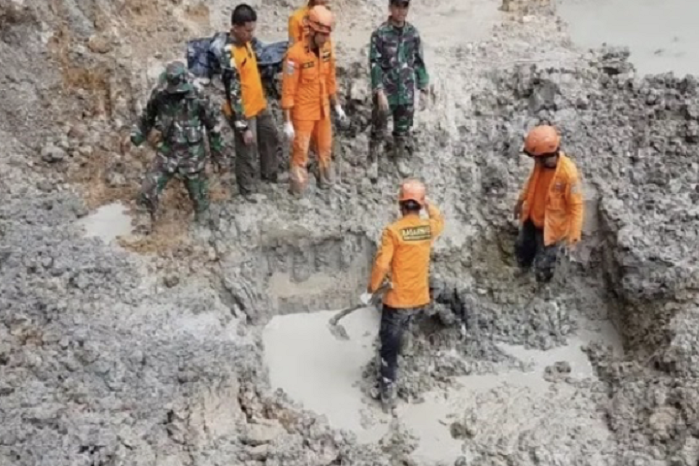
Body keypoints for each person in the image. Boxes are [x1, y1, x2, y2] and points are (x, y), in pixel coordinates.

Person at [366, 179, 444, 412]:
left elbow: (382, 264)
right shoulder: (427, 228)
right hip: (419, 298)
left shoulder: (393, 232)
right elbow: (439, 220)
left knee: (388, 344)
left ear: (401, 205)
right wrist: (429, 204)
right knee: (405, 331)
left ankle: (387, 391)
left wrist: (372, 287)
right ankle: (404, 358)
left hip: (397, 299)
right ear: (419, 206)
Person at [130, 61, 226, 230]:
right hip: (167, 152)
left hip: (192, 156)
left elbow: (214, 127)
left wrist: (218, 156)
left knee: (200, 199)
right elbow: (147, 118)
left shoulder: (198, 96)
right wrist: (135, 137)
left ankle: (202, 227)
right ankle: (144, 219)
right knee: (147, 190)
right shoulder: (160, 94)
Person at [281, 5, 347, 194]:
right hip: (303, 112)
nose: (326, 39)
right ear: (311, 30)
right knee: (300, 152)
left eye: (328, 35)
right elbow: (288, 89)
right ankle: (298, 190)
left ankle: (327, 184)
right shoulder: (294, 56)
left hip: (323, 109)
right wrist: (287, 122)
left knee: (325, 148)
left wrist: (338, 107)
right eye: (323, 35)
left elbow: (330, 79)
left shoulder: (326, 49)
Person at [218, 4, 282, 199]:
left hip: (258, 104)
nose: (251, 34)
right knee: (247, 149)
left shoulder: (246, 43)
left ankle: (269, 175)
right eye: (247, 30)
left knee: (271, 136)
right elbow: (233, 92)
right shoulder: (229, 53)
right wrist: (242, 125)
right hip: (243, 110)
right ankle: (247, 190)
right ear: (235, 27)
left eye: (253, 29)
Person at [513, 125, 584, 282]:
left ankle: (540, 285)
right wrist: (520, 202)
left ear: (545, 155)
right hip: (532, 218)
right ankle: (522, 270)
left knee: (544, 263)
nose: (535, 160)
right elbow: (531, 183)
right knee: (523, 248)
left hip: (551, 228)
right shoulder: (541, 165)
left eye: (536, 157)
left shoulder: (568, 174)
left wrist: (574, 236)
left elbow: (576, 206)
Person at [368, 0, 429, 180]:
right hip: (387, 92)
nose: (401, 10)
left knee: (403, 128)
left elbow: (418, 62)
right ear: (390, 8)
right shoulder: (380, 34)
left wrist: (424, 87)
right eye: (397, 6)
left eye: (405, 6)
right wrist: (378, 90)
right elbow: (374, 63)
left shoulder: (413, 34)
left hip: (406, 91)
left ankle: (399, 158)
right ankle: (373, 160)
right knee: (379, 128)